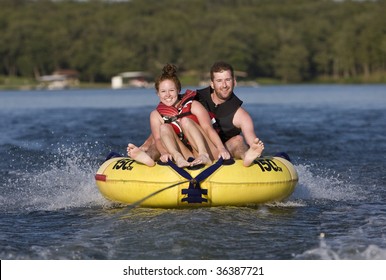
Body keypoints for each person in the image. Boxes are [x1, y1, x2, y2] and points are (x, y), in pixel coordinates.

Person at [127, 64, 230, 168]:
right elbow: (158, 139)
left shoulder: (194, 105)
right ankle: (178, 158)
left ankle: (204, 155)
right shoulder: (156, 115)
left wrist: (222, 148)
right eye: (163, 91)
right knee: (164, 127)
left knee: (185, 121)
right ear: (158, 93)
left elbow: (208, 129)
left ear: (178, 90)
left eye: (171, 90)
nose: (167, 95)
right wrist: (164, 153)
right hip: (188, 155)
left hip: (210, 151)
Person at [195, 61, 264, 167]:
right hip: (195, 150)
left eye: (228, 80)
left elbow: (252, 142)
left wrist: (256, 150)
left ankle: (246, 157)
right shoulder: (196, 98)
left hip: (222, 152)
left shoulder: (242, 116)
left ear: (234, 82)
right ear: (212, 84)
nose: (224, 85)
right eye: (219, 81)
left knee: (238, 140)